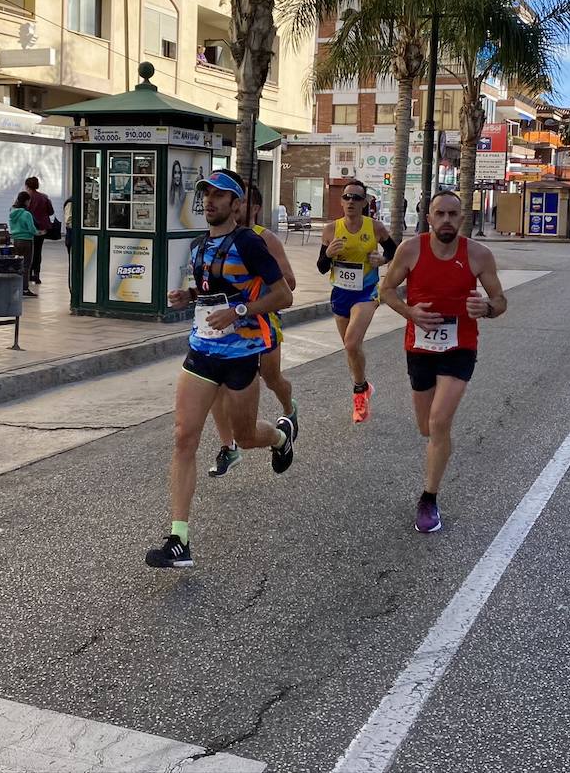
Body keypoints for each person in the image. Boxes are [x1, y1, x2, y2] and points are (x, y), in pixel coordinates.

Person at [147, 170, 295, 569]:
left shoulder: (249, 243)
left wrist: (240, 311)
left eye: (220, 194)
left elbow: (284, 294)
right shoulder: (198, 247)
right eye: (206, 194)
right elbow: (211, 293)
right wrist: (188, 297)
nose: (210, 200)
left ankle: (280, 437)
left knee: (246, 437)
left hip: (242, 353)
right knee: (183, 438)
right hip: (202, 352)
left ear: (236, 204)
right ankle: (179, 538)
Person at [380, 191, 507, 533]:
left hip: (459, 347)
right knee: (426, 426)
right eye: (440, 214)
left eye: (453, 214)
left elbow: (499, 300)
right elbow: (386, 290)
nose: (447, 220)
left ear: (462, 218)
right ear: (429, 217)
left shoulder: (478, 255)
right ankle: (441, 442)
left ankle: (429, 498)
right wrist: (409, 312)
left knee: (437, 422)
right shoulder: (411, 250)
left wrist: (488, 309)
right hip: (419, 348)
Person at [207, 184, 300, 478]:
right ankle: (229, 447)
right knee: (219, 387)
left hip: (262, 322)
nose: (235, 206)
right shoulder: (216, 238)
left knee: (271, 377)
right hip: (226, 329)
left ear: (253, 208)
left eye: (242, 202)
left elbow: (289, 283)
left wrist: (258, 273)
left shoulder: (263, 239)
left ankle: (289, 407)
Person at [318, 180, 396, 422]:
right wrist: (329, 254)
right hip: (340, 292)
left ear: (364, 203)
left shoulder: (375, 228)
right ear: (341, 201)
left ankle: (359, 392)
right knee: (350, 349)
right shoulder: (331, 229)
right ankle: (364, 384)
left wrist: (382, 260)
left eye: (356, 198)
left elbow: (394, 250)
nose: (351, 201)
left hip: (366, 292)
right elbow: (322, 267)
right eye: (347, 197)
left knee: (352, 343)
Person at [25, 175, 55, 285]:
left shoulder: (26, 197)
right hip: (42, 228)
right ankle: (37, 274)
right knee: (38, 251)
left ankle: (27, 274)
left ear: (27, 186)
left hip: (28, 228)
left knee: (28, 252)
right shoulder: (44, 197)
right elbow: (51, 212)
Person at [8, 191, 38, 297]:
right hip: (26, 240)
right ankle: (25, 288)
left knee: (17, 264)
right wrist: (38, 232)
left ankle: (15, 286)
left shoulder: (12, 212)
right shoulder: (26, 214)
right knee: (26, 265)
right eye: (29, 201)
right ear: (26, 201)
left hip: (15, 240)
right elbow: (31, 229)